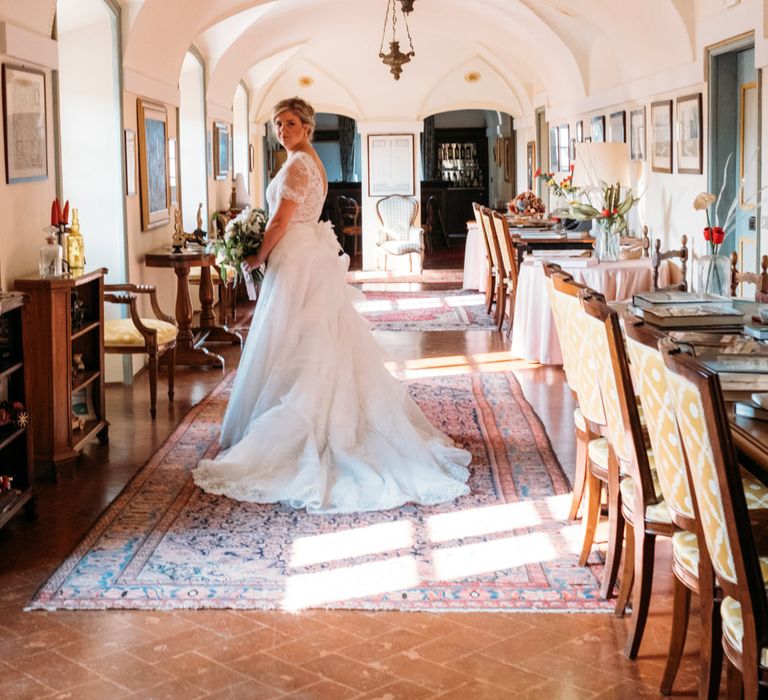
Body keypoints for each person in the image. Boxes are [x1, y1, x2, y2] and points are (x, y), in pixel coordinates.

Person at [192, 97, 470, 513]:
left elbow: (281, 220)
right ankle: (320, 416)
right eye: (277, 125)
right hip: (307, 254)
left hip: (297, 256)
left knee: (297, 338)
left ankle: (310, 425)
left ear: (306, 127)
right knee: (309, 336)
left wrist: (258, 254)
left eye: (289, 124)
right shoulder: (309, 161)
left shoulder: (300, 164)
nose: (282, 131)